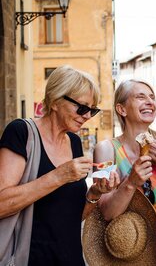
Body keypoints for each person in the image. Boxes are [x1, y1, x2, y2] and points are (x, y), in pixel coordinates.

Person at [0, 65, 120, 266]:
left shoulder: (73, 142)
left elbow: (72, 218)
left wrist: (94, 194)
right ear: (55, 101)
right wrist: (59, 176)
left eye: (93, 110)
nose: (87, 116)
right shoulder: (21, 132)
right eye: (82, 108)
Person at [94, 79, 156, 266]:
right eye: (140, 97)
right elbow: (105, 213)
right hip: (125, 260)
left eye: (152, 97)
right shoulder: (106, 150)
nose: (150, 102)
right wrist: (130, 182)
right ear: (121, 109)